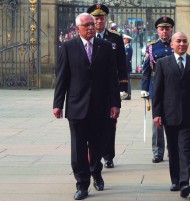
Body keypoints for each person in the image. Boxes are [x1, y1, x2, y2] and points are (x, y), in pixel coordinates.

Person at [52, 13, 121, 200]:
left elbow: (112, 78)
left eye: (93, 24)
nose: (91, 27)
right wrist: (58, 104)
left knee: (97, 144)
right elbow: (62, 78)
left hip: (101, 106)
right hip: (76, 106)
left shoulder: (105, 47)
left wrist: (115, 103)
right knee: (78, 148)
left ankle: (96, 172)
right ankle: (82, 184)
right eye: (87, 25)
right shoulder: (68, 47)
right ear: (78, 28)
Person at [152, 32, 190, 198]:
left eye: (184, 41)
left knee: (185, 147)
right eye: (178, 41)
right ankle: (175, 179)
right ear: (172, 44)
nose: (181, 44)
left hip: (189, 115)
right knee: (173, 149)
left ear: (188, 44)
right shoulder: (163, 63)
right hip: (169, 114)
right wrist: (157, 113)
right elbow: (158, 91)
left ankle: (185, 182)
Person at [87, 4, 128, 168]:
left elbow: (121, 65)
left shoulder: (115, 38)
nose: (98, 21)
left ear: (106, 19)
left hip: (110, 88)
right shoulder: (87, 37)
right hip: (91, 89)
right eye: (95, 18)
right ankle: (94, 156)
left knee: (110, 123)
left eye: (101, 18)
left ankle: (108, 155)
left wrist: (123, 87)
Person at [141, 16, 174, 163]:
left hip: (174, 88)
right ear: (157, 31)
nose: (165, 31)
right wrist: (144, 89)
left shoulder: (176, 44)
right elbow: (146, 70)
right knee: (157, 121)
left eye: (167, 29)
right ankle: (157, 152)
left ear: (171, 30)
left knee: (174, 120)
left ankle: (173, 150)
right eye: (162, 29)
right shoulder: (152, 47)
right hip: (157, 87)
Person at [123, 34, 133, 100]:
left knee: (127, 81)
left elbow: (127, 59)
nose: (123, 40)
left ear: (127, 40)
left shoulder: (128, 48)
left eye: (124, 39)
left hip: (126, 67)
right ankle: (126, 94)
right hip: (125, 66)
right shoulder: (125, 47)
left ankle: (128, 95)